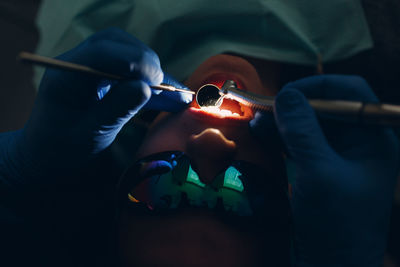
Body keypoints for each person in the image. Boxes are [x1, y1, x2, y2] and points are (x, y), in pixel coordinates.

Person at [1, 1, 399, 266]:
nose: (210, 144)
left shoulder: (75, 81)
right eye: (242, 191)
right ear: (291, 192)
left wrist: (14, 177)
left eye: (160, 181)